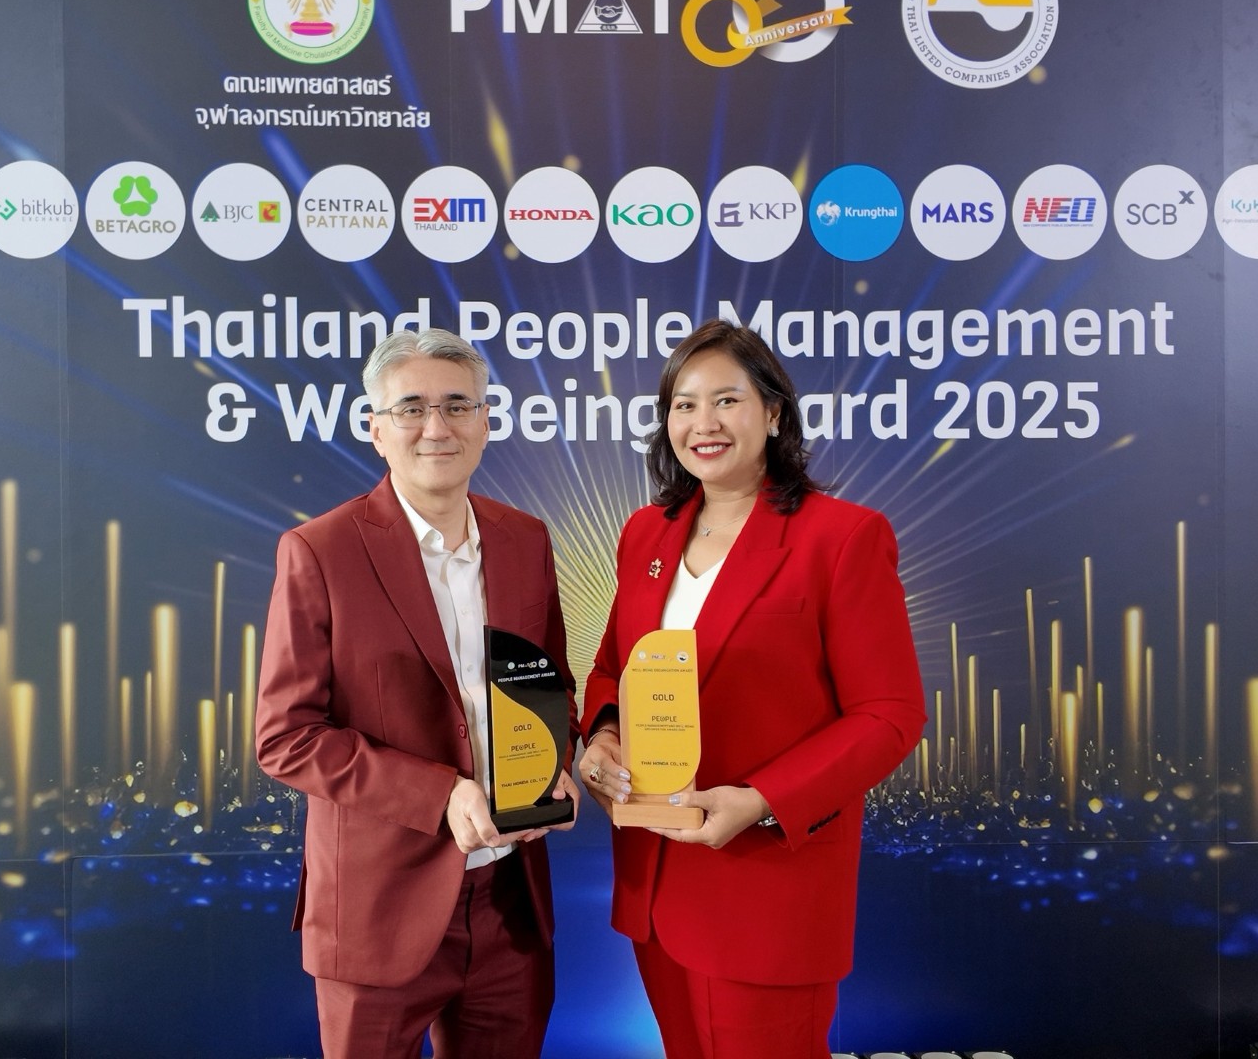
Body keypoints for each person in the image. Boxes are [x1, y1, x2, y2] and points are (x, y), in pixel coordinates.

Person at [576, 319, 925, 1059]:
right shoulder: (646, 533)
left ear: (772, 413)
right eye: (683, 404)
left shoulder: (842, 537)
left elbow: (889, 714)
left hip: (766, 888)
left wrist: (760, 800)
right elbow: (611, 668)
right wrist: (602, 736)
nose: (702, 423)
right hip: (656, 882)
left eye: (726, 400)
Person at [256, 329, 578, 1059]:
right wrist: (441, 796)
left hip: (510, 903)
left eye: (458, 405)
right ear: (377, 429)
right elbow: (286, 737)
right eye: (411, 408)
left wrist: (555, 762)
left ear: (486, 422)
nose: (437, 427)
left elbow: (552, 682)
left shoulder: (526, 539)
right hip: (377, 909)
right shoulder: (320, 551)